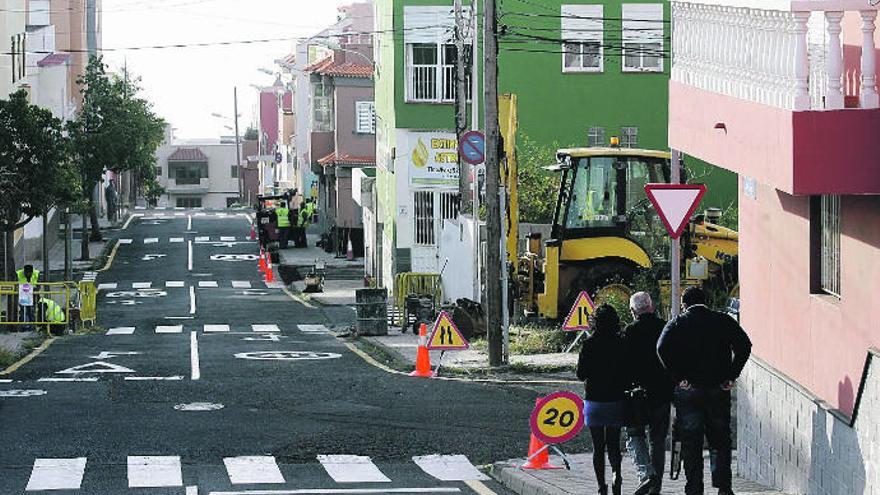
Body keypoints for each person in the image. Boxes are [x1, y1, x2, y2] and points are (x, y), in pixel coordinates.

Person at [657, 287, 752, 495]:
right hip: (718, 388)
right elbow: (745, 345)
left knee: (691, 441)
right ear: (706, 301)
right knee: (720, 440)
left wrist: (678, 377)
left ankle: (694, 488)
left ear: (684, 304)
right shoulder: (723, 321)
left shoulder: (678, 323)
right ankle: (723, 487)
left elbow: (661, 348)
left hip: (689, 390)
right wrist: (731, 375)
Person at [622, 292, 673, 495]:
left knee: (635, 433)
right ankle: (655, 488)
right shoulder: (664, 327)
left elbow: (624, 364)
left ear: (633, 311)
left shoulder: (630, 331)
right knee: (658, 440)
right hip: (661, 393)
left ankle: (647, 475)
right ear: (651, 307)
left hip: (637, 395)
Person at [577, 304, 628, 495]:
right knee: (614, 443)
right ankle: (617, 475)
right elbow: (628, 372)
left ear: (595, 322)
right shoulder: (621, 342)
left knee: (598, 447)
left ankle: (601, 487)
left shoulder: (589, 344)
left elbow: (581, 374)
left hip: (594, 401)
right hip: (616, 399)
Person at [16, 264, 40, 329]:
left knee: (32, 311)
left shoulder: (36, 273)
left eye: (30, 273)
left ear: (32, 272)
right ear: (24, 272)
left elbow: (39, 286)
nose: (28, 274)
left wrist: (33, 289)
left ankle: (33, 326)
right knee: (23, 311)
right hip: (23, 295)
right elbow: (15, 285)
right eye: (26, 273)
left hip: (33, 295)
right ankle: (23, 326)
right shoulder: (18, 274)